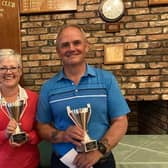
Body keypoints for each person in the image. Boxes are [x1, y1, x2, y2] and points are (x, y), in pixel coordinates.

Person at [36, 24, 130, 168]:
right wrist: (63, 135)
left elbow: (120, 121)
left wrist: (98, 151)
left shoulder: (107, 80)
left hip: (101, 162)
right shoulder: (48, 87)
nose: (71, 48)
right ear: (58, 51)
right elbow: (42, 126)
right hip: (63, 163)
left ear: (87, 46)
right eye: (65, 45)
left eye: (77, 43)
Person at [0, 49, 40, 168]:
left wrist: (28, 137)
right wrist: (5, 134)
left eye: (13, 67)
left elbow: (42, 131)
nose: (8, 72)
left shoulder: (33, 98)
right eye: (2, 68)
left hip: (30, 164)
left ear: (20, 71)